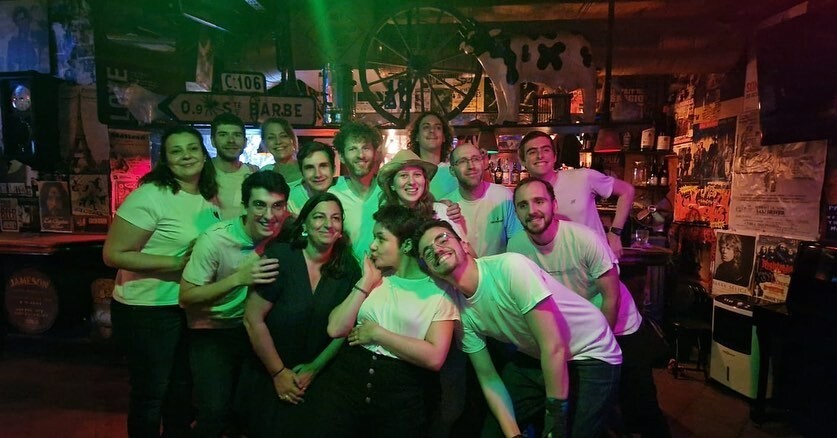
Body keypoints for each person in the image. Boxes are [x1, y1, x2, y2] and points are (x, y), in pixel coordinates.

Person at [415, 219, 622, 438]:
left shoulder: (510, 267)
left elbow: (554, 346)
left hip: (591, 349)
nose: (436, 249)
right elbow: (489, 378)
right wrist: (513, 435)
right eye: (427, 251)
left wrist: (555, 418)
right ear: (431, 271)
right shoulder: (459, 312)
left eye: (443, 239)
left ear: (464, 245)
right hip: (535, 355)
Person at [509, 177, 670, 437]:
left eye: (539, 201)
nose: (532, 210)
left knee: (641, 405)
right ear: (516, 211)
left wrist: (600, 342)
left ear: (554, 204)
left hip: (618, 327)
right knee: (589, 408)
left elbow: (611, 297)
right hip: (579, 332)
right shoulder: (517, 246)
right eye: (523, 205)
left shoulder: (584, 239)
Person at [103, 125, 220, 437]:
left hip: (186, 306)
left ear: (203, 154)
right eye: (176, 151)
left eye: (192, 148)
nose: (186, 156)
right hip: (146, 308)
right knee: (151, 393)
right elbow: (113, 254)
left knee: (182, 390)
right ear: (165, 160)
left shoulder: (207, 196)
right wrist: (178, 264)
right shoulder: (151, 196)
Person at [303, 205, 459, 437]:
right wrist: (366, 282)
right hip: (345, 387)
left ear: (406, 245)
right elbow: (335, 328)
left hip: (400, 398)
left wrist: (378, 334)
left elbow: (435, 357)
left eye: (381, 239)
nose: (373, 246)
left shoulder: (438, 291)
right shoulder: (375, 278)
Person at [237, 192, 360, 437]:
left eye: (336, 218)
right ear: (304, 223)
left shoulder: (347, 268)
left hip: (317, 377)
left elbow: (345, 330)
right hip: (268, 372)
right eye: (319, 217)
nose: (328, 224)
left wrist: (314, 368)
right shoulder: (281, 257)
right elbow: (253, 320)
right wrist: (279, 373)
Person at [178, 171, 291, 437]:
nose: (269, 215)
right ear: (245, 205)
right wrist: (238, 279)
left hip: (254, 329)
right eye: (259, 205)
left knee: (250, 411)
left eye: (277, 206)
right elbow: (186, 297)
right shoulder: (216, 239)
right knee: (215, 411)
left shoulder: (284, 233)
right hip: (213, 330)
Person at [519, 130, 634, 258]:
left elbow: (627, 191)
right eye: (532, 152)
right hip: (558, 265)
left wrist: (615, 234)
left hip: (595, 261)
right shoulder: (524, 196)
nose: (540, 156)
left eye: (546, 150)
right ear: (523, 161)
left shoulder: (583, 176)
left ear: (555, 156)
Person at [443, 141, 522, 257]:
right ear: (452, 170)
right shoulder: (446, 207)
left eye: (475, 159)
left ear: (483, 163)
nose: (471, 166)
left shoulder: (503, 196)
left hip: (498, 271)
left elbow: (516, 241)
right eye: (462, 161)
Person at [328, 121, 384, 261]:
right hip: (347, 276)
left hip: (386, 277)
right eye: (352, 149)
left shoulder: (388, 190)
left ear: (375, 153)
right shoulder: (333, 195)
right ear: (341, 156)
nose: (360, 155)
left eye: (365, 148)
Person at [211, 113, 260, 219]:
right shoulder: (200, 173)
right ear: (212, 141)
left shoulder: (253, 175)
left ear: (245, 142)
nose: (231, 140)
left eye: (237, 135)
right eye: (223, 135)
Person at [407, 111, 459, 198]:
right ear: (416, 136)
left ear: (444, 137)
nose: (432, 131)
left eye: (438, 128)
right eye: (426, 127)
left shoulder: (454, 173)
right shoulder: (407, 171)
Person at [287, 141, 336, 216]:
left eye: (323, 166)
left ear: (333, 169)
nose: (317, 174)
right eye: (309, 168)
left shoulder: (346, 190)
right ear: (302, 172)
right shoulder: (292, 199)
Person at [260, 118, 303, 185]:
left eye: (283, 136)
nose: (278, 141)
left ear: (292, 139)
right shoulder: (263, 172)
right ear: (264, 143)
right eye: (271, 137)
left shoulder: (308, 169)